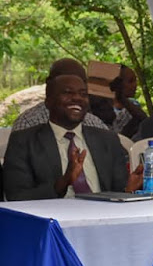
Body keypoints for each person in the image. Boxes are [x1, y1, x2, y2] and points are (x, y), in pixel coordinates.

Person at [3, 75, 142, 201]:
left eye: (83, 94)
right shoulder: (24, 141)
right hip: (53, 223)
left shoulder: (107, 139)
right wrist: (62, 183)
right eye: (68, 93)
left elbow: (118, 191)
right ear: (48, 102)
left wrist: (128, 190)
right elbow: (16, 197)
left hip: (103, 219)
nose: (77, 98)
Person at [11, 58, 109, 132]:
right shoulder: (28, 124)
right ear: (49, 86)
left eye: (81, 90)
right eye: (68, 91)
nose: (76, 97)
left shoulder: (95, 125)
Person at [110, 64, 147, 138]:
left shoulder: (133, 104)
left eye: (135, 80)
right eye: (130, 81)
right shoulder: (105, 108)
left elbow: (144, 120)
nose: (135, 85)